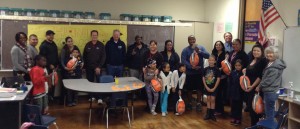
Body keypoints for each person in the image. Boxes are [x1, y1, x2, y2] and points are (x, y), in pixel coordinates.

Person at [256, 46, 286, 123]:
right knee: (268, 110)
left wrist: (259, 86)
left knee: (269, 111)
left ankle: (270, 125)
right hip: (268, 90)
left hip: (271, 91)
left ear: (275, 54)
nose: (269, 55)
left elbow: (269, 80)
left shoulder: (275, 66)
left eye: (271, 53)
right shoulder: (270, 63)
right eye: (268, 53)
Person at [181, 35, 209, 112]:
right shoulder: (185, 50)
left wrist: (199, 51)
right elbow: (183, 61)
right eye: (190, 39)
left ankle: (199, 103)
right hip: (190, 73)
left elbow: (208, 56)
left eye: (193, 39)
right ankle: (189, 103)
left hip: (199, 72)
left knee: (199, 89)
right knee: (189, 89)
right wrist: (191, 66)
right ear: (188, 41)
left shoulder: (201, 48)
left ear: (195, 40)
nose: (192, 41)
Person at [243, 44, 267, 126]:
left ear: (262, 52)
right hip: (249, 87)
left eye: (258, 51)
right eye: (254, 50)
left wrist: (252, 86)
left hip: (256, 88)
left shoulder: (263, 61)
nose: (255, 52)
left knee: (256, 110)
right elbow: (250, 73)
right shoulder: (251, 60)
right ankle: (253, 126)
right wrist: (245, 71)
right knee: (250, 108)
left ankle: (256, 126)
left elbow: (260, 76)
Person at [83, 30, 106, 103]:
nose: (94, 36)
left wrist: (99, 67)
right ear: (91, 36)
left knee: (99, 82)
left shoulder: (101, 45)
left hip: (98, 68)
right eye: (93, 35)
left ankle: (100, 98)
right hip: (89, 68)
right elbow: (84, 56)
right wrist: (84, 67)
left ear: (97, 36)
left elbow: (103, 57)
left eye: (96, 35)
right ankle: (91, 96)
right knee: (90, 82)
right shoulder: (87, 45)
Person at [202, 55, 220, 121]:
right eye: (210, 60)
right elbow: (203, 78)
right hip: (207, 87)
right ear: (208, 61)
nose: (211, 61)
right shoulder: (205, 69)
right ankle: (208, 114)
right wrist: (206, 86)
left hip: (214, 87)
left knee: (212, 99)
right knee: (208, 99)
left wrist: (214, 88)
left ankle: (212, 114)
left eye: (212, 60)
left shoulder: (217, 69)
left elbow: (218, 79)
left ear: (215, 61)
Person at [211, 41, 227, 115]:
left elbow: (226, 64)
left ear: (222, 46)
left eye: (219, 45)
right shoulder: (213, 54)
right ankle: (214, 109)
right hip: (214, 75)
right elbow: (211, 62)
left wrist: (221, 68)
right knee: (215, 93)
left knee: (221, 94)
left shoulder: (225, 54)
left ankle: (220, 110)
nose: (218, 46)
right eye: (216, 45)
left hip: (222, 76)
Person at [229, 59, 244, 126]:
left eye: (239, 65)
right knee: (233, 105)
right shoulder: (232, 73)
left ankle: (238, 118)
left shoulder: (243, 73)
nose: (237, 67)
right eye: (236, 65)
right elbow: (230, 82)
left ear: (241, 66)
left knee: (239, 106)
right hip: (233, 91)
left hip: (240, 92)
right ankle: (233, 117)